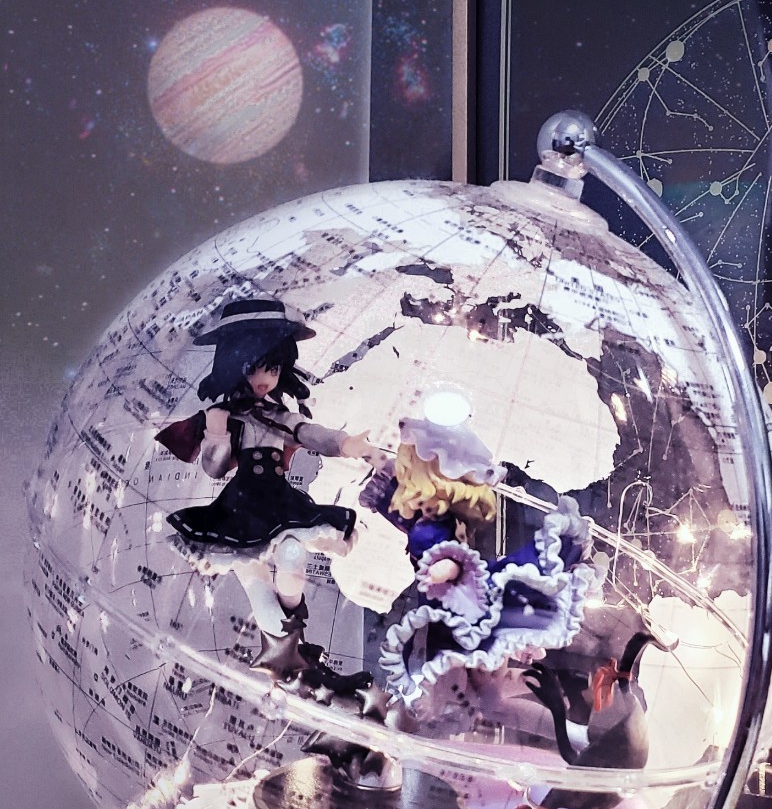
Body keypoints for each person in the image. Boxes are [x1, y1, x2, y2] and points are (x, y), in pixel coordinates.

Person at [157, 295, 387, 689]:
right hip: (239, 509)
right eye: (254, 368)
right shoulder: (224, 418)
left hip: (279, 504)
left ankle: (296, 640)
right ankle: (292, 662)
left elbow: (310, 433)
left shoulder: (280, 416)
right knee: (255, 582)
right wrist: (216, 432)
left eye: (274, 368)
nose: (265, 378)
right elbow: (214, 467)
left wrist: (346, 444)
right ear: (233, 366)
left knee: (292, 558)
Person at [362, 418, 596, 707]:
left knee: (512, 589)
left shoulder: (436, 524)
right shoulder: (429, 530)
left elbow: (437, 549)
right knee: (515, 588)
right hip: (463, 591)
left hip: (462, 591)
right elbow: (443, 557)